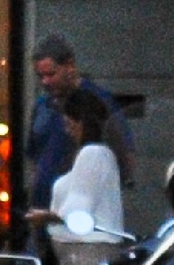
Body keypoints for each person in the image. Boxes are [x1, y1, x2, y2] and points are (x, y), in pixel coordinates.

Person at [23, 34, 125, 210]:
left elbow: (123, 155)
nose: (45, 82)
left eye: (51, 74)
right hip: (43, 208)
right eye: (40, 76)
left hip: (83, 212)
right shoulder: (42, 106)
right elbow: (34, 157)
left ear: (69, 66)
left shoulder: (98, 101)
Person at [31, 87, 125, 245]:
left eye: (69, 124)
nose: (68, 131)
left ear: (81, 123)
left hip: (87, 251)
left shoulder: (92, 154)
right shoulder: (101, 155)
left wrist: (46, 216)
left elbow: (77, 211)